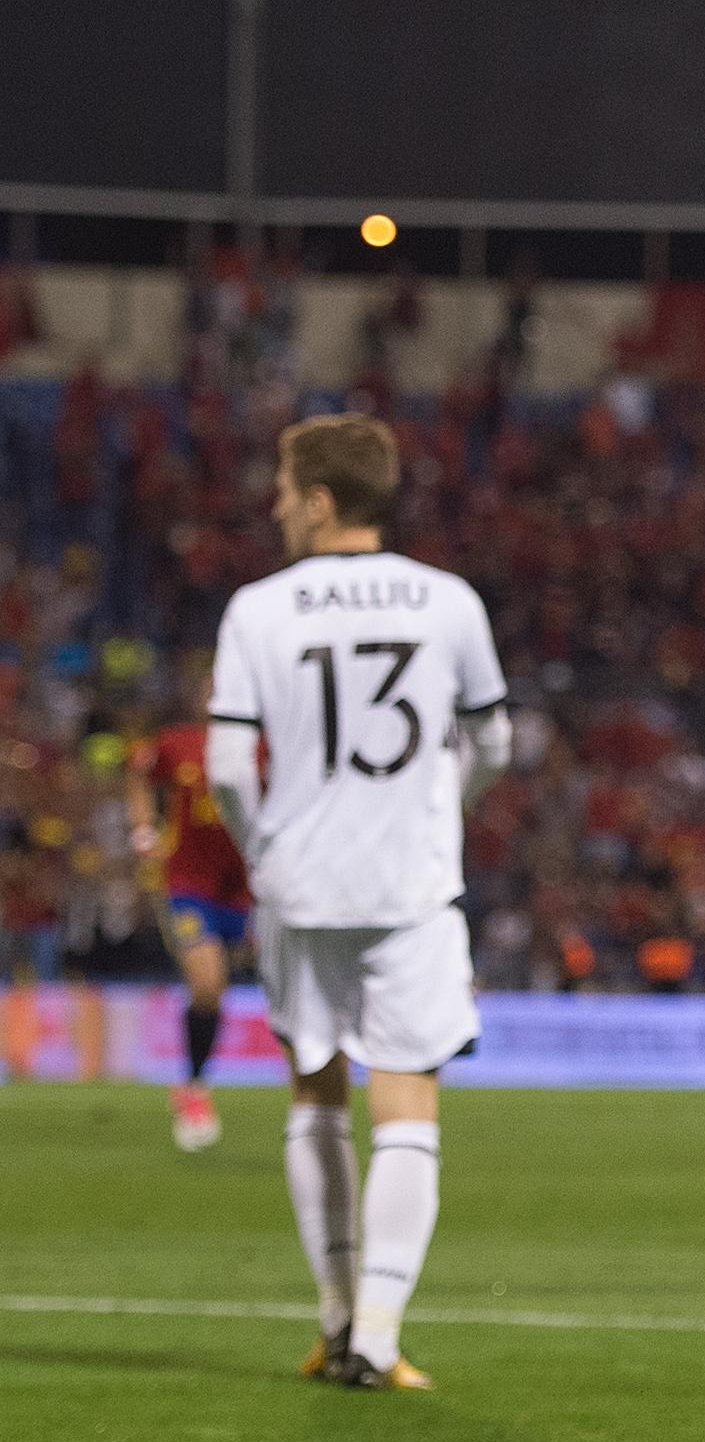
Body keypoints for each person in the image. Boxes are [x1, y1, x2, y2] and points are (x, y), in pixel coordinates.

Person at [206, 415, 512, 1391]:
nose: (276, 503)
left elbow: (223, 767)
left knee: (313, 1091)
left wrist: (265, 847)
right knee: (408, 1102)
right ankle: (379, 1334)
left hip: (299, 885)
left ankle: (335, 1320)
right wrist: (438, 812)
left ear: (323, 499)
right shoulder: (449, 600)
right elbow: (495, 743)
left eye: (287, 488)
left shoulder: (257, 607)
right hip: (408, 885)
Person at [127, 665, 256, 1152]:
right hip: (185, 884)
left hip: (242, 891)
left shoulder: (263, 750)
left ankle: (310, 1103)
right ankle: (195, 1088)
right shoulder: (177, 744)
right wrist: (144, 829)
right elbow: (137, 772)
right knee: (208, 982)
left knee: (217, 993)